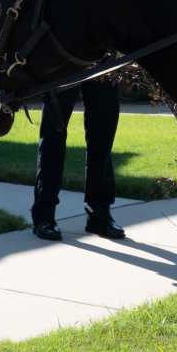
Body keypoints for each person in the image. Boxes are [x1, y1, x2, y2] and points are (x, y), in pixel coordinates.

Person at [30, 79, 124, 241]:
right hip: (66, 61)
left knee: (103, 137)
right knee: (53, 137)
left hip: (105, 60)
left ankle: (99, 215)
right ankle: (44, 215)